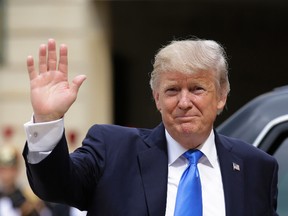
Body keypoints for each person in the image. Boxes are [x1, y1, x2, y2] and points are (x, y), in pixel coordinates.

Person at [22, 38, 278, 216]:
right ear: (157, 98)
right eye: (172, 90)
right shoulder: (113, 150)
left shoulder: (256, 168)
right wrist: (47, 120)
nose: (184, 102)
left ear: (221, 96)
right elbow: (54, 186)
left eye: (197, 89)